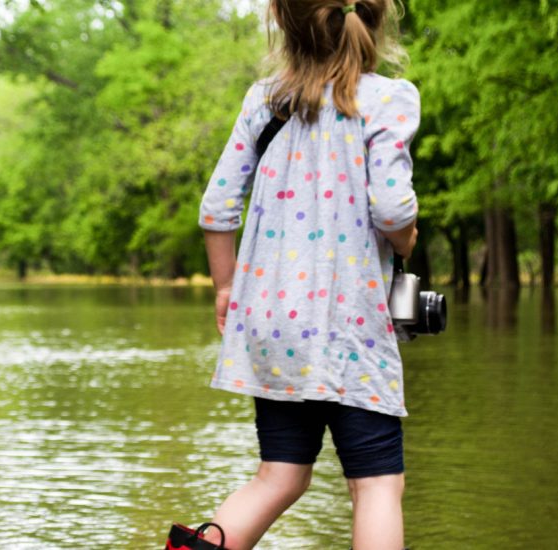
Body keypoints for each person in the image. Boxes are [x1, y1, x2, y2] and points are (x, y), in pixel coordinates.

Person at [194, 0, 419, 549]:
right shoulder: (387, 98)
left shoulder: (264, 101)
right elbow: (392, 211)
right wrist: (407, 239)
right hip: (351, 331)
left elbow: (216, 209)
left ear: (286, 25)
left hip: (273, 327)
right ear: (375, 21)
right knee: (377, 487)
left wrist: (226, 288)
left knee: (279, 475)